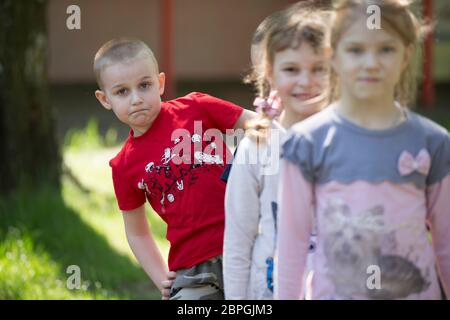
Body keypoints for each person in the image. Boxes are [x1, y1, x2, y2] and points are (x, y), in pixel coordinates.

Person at [276, 0, 450, 300]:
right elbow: (292, 246)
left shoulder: (433, 142)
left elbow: (446, 244)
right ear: (333, 55)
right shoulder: (306, 143)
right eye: (356, 50)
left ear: (407, 54)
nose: (371, 62)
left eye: (386, 49)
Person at [93, 38, 255, 300]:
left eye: (144, 85)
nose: (136, 99)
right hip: (193, 265)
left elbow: (253, 123)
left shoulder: (195, 107)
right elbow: (136, 232)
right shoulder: (123, 166)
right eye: (122, 91)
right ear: (105, 99)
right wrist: (160, 278)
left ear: (160, 83)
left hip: (246, 240)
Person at [223, 4, 331, 300]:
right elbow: (238, 240)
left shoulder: (345, 141)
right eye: (292, 69)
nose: (305, 81)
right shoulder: (256, 146)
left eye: (319, 69)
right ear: (270, 73)